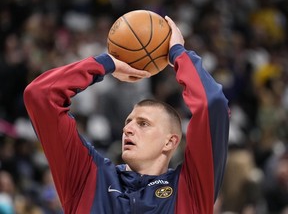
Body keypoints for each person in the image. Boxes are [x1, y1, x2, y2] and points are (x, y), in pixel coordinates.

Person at [24, 16, 230, 214]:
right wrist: (106, 64)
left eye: (143, 123)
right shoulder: (88, 176)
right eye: (128, 122)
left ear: (170, 142)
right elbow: (40, 96)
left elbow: (212, 105)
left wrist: (178, 54)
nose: (127, 129)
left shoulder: (191, 188)